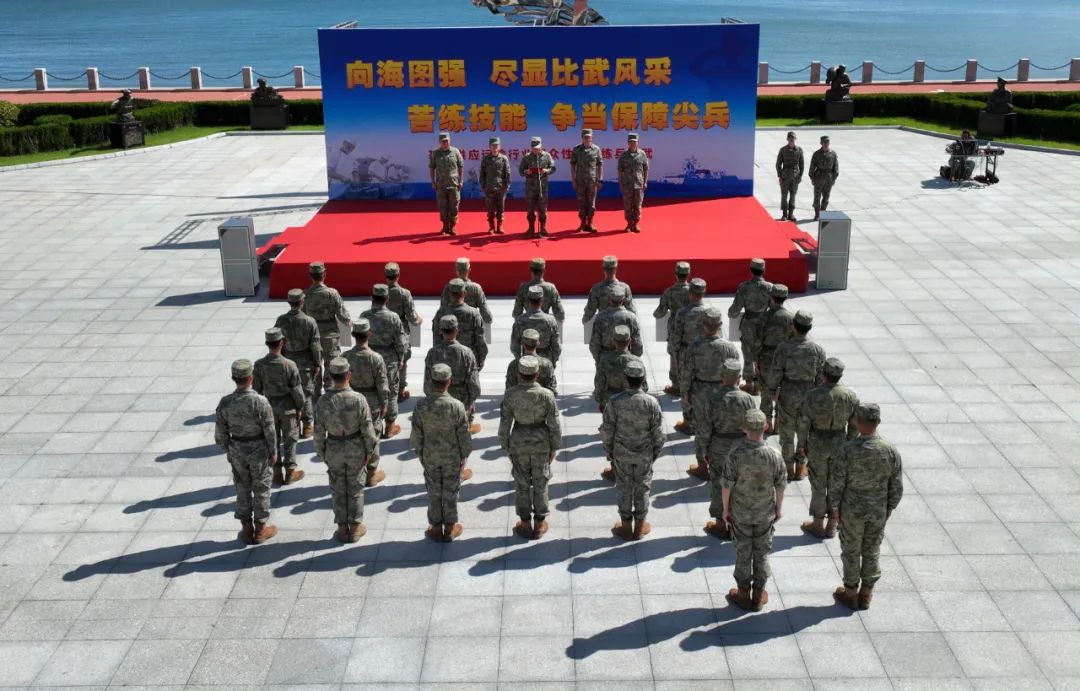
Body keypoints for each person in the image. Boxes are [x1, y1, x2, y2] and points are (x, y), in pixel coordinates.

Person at [830, 403, 903, 611]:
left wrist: (835, 508)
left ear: (858, 422)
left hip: (852, 510)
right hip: (877, 510)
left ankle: (851, 594)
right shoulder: (890, 451)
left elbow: (836, 483)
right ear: (878, 422)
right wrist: (889, 508)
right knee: (872, 550)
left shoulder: (847, 450)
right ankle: (867, 594)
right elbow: (896, 486)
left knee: (851, 550)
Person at [723, 409, 787, 611]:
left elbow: (726, 485)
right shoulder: (774, 455)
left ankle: (743, 594)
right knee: (762, 553)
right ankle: (758, 595)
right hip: (764, 514)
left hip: (740, 513)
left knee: (743, 553)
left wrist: (725, 510)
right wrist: (778, 509)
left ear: (744, 428)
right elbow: (781, 485)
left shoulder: (735, 454)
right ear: (765, 427)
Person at [314, 357, 379, 544]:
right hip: (355, 447)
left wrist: (323, 453)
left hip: (333, 448)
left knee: (337, 488)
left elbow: (318, 432)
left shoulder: (323, 401)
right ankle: (356, 527)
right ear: (349, 375)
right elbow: (368, 430)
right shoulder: (359, 399)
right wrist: (370, 452)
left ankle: (342, 528)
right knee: (356, 487)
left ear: (331, 376)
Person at [214, 359, 278, 545]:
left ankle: (247, 527)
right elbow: (270, 430)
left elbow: (220, 434)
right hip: (259, 450)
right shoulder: (260, 402)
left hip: (237, 449)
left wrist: (229, 449)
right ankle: (260, 529)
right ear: (251, 378)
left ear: (233, 378)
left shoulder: (225, 403)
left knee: (241, 488)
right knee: (261, 488)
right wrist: (273, 451)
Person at [499, 355, 562, 540]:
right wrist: (554, 447)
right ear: (537, 374)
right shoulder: (547, 395)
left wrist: (506, 446)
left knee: (522, 484)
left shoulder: (510, 394)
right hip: (541, 443)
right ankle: (540, 523)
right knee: (541, 483)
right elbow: (555, 425)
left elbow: (504, 424)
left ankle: (525, 523)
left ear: (519, 374)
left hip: (518, 442)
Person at [601, 360, 664, 541]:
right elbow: (659, 434)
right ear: (643, 379)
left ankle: (626, 527)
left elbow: (607, 430)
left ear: (625, 379)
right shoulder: (651, 402)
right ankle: (640, 527)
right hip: (644, 454)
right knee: (643, 488)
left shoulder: (615, 402)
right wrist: (654, 453)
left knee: (624, 488)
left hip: (622, 453)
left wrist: (609, 450)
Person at [411, 363, 472, 542]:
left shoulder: (421, 405)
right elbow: (464, 437)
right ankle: (450, 528)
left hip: (430, 456)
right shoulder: (457, 406)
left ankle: (436, 527)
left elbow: (416, 435)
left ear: (431, 381)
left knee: (433, 492)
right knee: (451, 492)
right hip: (452, 457)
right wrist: (464, 457)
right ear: (449, 382)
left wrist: (421, 454)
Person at [798, 357, 859, 539]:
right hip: (839, 442)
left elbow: (803, 422)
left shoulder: (813, 395)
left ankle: (818, 524)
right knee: (836, 484)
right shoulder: (850, 396)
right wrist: (849, 443)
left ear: (824, 374)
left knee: (818, 484)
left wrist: (802, 443)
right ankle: (832, 524)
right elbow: (854, 425)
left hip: (818, 441)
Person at [679, 307, 741, 479]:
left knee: (701, 430)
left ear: (703, 324)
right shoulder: (729, 348)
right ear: (720, 324)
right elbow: (736, 372)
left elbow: (686, 373)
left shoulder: (694, 346)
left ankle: (703, 467)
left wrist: (685, 394)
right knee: (721, 428)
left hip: (700, 394)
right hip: (724, 392)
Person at [766, 310, 827, 481]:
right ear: (809, 327)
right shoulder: (817, 350)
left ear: (793, 326)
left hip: (788, 394)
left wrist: (772, 391)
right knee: (804, 433)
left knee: (787, 434)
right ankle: (801, 468)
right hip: (809, 395)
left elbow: (776, 372)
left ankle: (788, 468)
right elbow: (821, 377)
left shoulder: (783, 348)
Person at [700, 359, 756, 540]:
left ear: (722, 377)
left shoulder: (713, 399)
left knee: (719, 484)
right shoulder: (748, 399)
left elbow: (705, 428)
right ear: (739, 377)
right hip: (741, 447)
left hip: (718, 447)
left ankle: (720, 525)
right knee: (740, 485)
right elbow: (753, 426)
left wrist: (704, 449)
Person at [252, 327, 306, 487]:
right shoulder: (290, 365)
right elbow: (297, 391)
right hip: (288, 408)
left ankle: (276, 473)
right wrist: (300, 407)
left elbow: (256, 390)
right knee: (290, 440)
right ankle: (290, 472)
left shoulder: (259, 365)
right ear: (281, 342)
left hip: (268, 409)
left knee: (272, 440)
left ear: (267, 343)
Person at [594, 325, 648, 482]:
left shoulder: (605, 360)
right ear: (629, 341)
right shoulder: (636, 361)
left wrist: (600, 400)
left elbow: (599, 384)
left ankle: (614, 469)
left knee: (611, 435)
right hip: (632, 402)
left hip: (610, 401)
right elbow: (644, 387)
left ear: (613, 341)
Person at [342, 318, 390, 488]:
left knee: (354, 435)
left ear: (353, 334)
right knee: (373, 436)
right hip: (372, 403)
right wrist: (385, 403)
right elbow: (382, 385)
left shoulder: (345, 357)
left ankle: (355, 470)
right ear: (369, 334)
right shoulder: (376, 358)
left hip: (351, 402)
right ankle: (371, 474)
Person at [361, 284, 406, 439]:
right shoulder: (393, 317)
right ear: (387, 299)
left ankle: (371, 423)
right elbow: (401, 343)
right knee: (391, 391)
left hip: (369, 357)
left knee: (371, 389)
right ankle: (389, 427)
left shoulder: (364, 316)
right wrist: (401, 358)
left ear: (372, 298)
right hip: (389, 359)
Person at [275, 288, 321, 438]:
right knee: (305, 394)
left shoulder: (281, 320)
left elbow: (276, 342)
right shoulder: (309, 321)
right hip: (305, 363)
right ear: (302, 302)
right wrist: (317, 363)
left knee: (290, 393)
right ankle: (307, 426)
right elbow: (315, 346)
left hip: (287, 361)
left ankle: (293, 423)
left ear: (289, 302)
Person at [425, 315, 482, 434]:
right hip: (461, 400)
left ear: (441, 331)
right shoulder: (466, 353)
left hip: (439, 398)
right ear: (456, 331)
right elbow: (474, 384)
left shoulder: (432, 353)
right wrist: (471, 402)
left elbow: (427, 382)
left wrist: (432, 400)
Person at [668, 278, 710, 431]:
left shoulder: (683, 313)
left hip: (686, 353)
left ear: (690, 293)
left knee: (686, 388)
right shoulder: (710, 313)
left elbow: (676, 338)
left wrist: (674, 354)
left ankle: (688, 422)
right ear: (704, 292)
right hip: (705, 353)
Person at [728, 258, 773, 395]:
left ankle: (749, 384)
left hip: (748, 324)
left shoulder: (744, 287)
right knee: (762, 354)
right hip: (764, 324)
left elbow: (735, 310)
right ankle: (759, 384)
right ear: (763, 270)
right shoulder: (770, 287)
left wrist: (731, 313)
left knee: (747, 354)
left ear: (750, 270)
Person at [303, 261, 351, 387]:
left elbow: (302, 316)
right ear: (324, 274)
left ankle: (316, 392)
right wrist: (349, 323)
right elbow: (343, 315)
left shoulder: (305, 294)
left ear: (310, 275)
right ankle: (329, 391)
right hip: (330, 336)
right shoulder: (332, 293)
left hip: (312, 335)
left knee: (315, 365)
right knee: (331, 366)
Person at [383, 262, 422, 401]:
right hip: (400, 331)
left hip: (383, 331)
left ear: (385, 275)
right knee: (402, 361)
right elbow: (412, 316)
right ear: (398, 275)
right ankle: (400, 391)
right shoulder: (404, 293)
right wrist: (418, 320)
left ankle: (385, 389)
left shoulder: (380, 292)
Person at [758, 284, 793, 434]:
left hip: (767, 357)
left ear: (772, 297)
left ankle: (768, 425)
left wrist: (756, 358)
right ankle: (778, 425)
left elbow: (757, 341)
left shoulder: (764, 317)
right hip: (784, 357)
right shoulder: (791, 318)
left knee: (766, 392)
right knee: (782, 391)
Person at [434, 278, 488, 370]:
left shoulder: (441, 313)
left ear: (449, 294)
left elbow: (436, 338)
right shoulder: (474, 313)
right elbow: (480, 339)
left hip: (445, 360)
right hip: (468, 359)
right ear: (464, 293)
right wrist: (482, 358)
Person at [589, 284, 642, 363]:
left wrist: (599, 360)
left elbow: (594, 344)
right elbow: (637, 344)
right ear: (624, 300)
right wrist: (633, 359)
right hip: (626, 359)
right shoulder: (631, 317)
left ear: (609, 299)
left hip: (605, 359)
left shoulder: (600, 317)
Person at [510, 285, 561, 364]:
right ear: (542, 300)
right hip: (546, 360)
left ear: (528, 300)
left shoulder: (520, 321)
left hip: (526, 362)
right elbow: (556, 346)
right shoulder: (551, 321)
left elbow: (514, 346)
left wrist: (519, 360)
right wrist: (553, 362)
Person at [429, 131, 464, 235]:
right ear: (439, 142)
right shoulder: (435, 153)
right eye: (443, 141)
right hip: (441, 185)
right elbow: (432, 168)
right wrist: (433, 181)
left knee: (454, 206)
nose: (445, 143)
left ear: (450, 141)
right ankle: (445, 226)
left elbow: (461, 166)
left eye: (447, 141)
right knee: (442, 206)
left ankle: (453, 226)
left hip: (454, 184)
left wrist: (461, 181)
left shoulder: (455, 151)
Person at [519, 136, 556, 236]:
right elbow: (521, 171)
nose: (536, 150)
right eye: (534, 149)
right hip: (530, 188)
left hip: (542, 188)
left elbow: (553, 168)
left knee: (543, 209)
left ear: (541, 146)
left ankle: (543, 228)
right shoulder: (527, 157)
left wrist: (546, 170)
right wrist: (526, 171)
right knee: (530, 209)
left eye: (538, 148)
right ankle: (531, 228)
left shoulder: (547, 156)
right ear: (531, 147)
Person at [440, 257, 493, 325]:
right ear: (469, 270)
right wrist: (489, 320)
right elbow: (485, 311)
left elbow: (443, 309)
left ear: (456, 270)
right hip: (471, 326)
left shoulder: (448, 288)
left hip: (452, 326)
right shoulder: (476, 288)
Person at [583, 255, 636, 323]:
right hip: (620, 325)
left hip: (602, 325)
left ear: (603, 269)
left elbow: (589, 312)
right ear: (616, 269)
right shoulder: (625, 288)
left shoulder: (596, 289)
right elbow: (631, 310)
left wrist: (585, 322)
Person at [512, 257, 565, 322]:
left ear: (531, 270)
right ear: (544, 271)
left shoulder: (523, 288)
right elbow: (560, 315)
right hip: (545, 325)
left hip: (527, 326)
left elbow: (517, 314)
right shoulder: (551, 288)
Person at [570, 127, 603, 233]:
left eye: (589, 137)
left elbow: (600, 165)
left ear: (592, 137)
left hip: (592, 181)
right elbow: (573, 165)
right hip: (580, 181)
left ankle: (590, 223)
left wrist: (600, 179)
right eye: (585, 137)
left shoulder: (596, 149)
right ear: (582, 138)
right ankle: (582, 223)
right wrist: (573, 179)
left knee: (591, 203)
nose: (587, 139)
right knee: (581, 202)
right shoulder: (576, 149)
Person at [506, 329, 557, 393]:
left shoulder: (513, 364)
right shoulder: (547, 364)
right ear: (538, 343)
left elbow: (509, 389)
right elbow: (552, 389)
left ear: (522, 343)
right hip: (542, 399)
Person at [617, 132, 649, 233]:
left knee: (637, 205)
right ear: (628, 142)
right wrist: (621, 183)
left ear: (638, 142)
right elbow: (620, 170)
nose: (632, 143)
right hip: (627, 184)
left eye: (634, 142)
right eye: (631, 142)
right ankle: (629, 224)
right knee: (628, 205)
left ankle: (636, 224)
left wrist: (645, 182)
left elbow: (646, 169)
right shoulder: (623, 155)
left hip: (639, 184)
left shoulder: (642, 154)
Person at [479, 136, 511, 234]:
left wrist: (507, 185)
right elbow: (482, 173)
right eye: (493, 146)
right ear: (489, 147)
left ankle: (500, 226)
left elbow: (507, 173)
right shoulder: (486, 159)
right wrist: (483, 185)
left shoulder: (504, 158)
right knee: (490, 209)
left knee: (501, 208)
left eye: (496, 145)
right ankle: (491, 226)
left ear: (499, 147)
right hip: (489, 188)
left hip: (501, 187)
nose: (495, 147)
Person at [809, 135, 839, 221]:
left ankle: (823, 213)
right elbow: (812, 167)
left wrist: (834, 178)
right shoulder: (816, 154)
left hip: (828, 178)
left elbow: (835, 167)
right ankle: (817, 214)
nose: (826, 144)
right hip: (819, 177)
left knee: (826, 197)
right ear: (821, 143)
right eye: (824, 142)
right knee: (817, 197)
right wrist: (812, 178)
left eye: (827, 142)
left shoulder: (833, 154)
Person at [776, 131, 804, 221]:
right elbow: (778, 164)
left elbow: (801, 164)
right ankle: (784, 214)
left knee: (793, 196)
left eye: (793, 138)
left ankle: (791, 214)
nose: (792, 140)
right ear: (787, 139)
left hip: (795, 177)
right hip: (785, 177)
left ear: (795, 139)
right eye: (790, 138)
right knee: (784, 196)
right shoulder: (783, 150)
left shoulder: (799, 150)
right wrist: (780, 176)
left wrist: (800, 175)